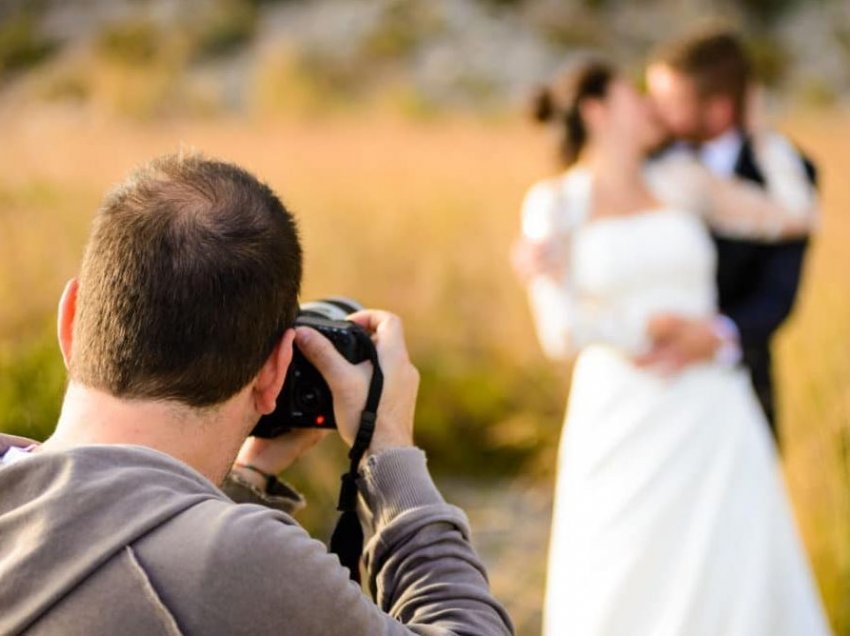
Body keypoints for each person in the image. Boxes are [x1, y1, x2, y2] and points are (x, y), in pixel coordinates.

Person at [0, 154, 514, 635]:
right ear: (274, 373)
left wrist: (243, 480)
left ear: (69, 321)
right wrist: (391, 448)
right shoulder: (237, 560)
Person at [512, 60, 830, 635]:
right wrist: (649, 327)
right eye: (632, 96)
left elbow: (798, 217)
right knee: (622, 564)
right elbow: (558, 330)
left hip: (712, 410)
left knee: (735, 565)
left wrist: (762, 133)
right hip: (620, 411)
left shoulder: (683, 182)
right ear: (597, 112)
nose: (649, 106)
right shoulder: (555, 202)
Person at [646, 27, 818, 441]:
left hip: (741, 380)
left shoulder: (786, 173)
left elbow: (778, 293)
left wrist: (716, 336)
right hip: (651, 378)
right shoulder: (646, 160)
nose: (655, 112)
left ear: (720, 110)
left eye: (671, 102)